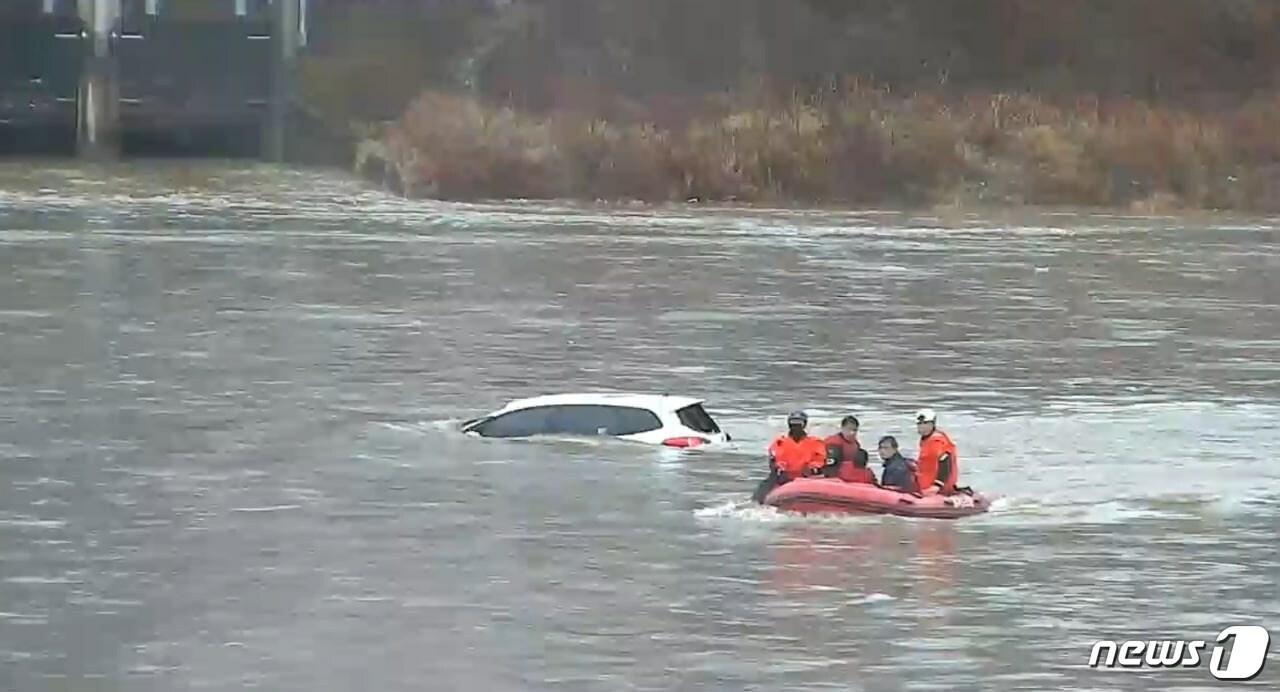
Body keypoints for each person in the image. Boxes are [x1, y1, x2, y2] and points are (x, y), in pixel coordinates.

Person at [752, 410, 828, 503]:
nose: (796, 426)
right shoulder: (780, 442)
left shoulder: (816, 442)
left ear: (804, 425)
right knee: (763, 488)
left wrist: (813, 467)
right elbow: (775, 458)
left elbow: (820, 459)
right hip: (784, 478)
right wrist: (780, 466)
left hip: (807, 478)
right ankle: (758, 503)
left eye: (799, 423)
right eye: (793, 423)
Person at [913, 408, 959, 495]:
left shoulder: (938, 441)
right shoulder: (926, 440)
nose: (922, 426)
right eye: (919, 424)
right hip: (924, 485)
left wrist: (937, 485)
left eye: (925, 423)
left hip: (937, 489)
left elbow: (945, 463)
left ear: (932, 424)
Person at [824, 415, 876, 484]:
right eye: (849, 429)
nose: (852, 433)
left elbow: (860, 464)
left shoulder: (856, 444)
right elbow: (830, 467)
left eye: (854, 430)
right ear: (842, 428)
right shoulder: (833, 444)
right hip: (836, 477)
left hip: (851, 476)